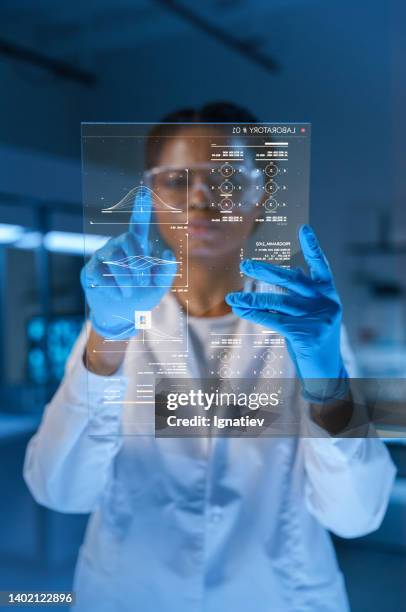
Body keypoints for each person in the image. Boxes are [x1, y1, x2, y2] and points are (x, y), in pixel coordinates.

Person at [24, 103, 395, 612]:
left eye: (225, 178)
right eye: (177, 180)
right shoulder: (117, 319)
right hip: (130, 592)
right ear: (151, 197)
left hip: (276, 595)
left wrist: (326, 379)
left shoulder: (305, 326)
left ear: (261, 196)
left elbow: (357, 515)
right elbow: (58, 489)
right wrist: (107, 339)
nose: (200, 199)